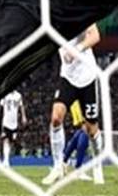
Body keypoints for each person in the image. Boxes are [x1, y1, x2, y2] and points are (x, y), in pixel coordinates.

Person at [42, 24, 104, 186]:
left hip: (87, 78)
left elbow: (95, 35)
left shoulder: (80, 13)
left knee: (91, 130)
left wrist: (76, 50)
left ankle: (97, 166)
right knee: (56, 118)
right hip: (68, 77)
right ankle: (58, 167)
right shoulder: (53, 18)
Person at [0, 90, 26, 167]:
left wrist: (23, 116)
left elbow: (21, 106)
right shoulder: (5, 95)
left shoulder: (18, 95)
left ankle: (6, 159)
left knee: (11, 141)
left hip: (14, 123)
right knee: (6, 140)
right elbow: (1, 106)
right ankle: (6, 160)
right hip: (6, 121)